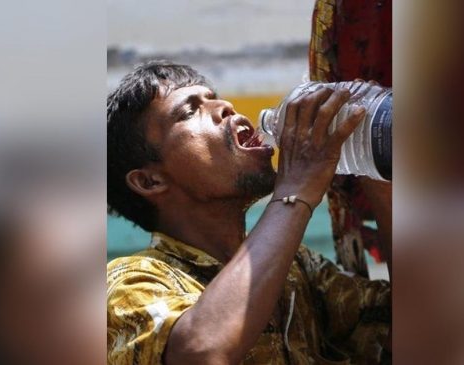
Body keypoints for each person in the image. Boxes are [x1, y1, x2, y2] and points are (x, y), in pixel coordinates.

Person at [107, 61, 391, 365]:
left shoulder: (299, 269)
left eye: (214, 96)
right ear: (150, 181)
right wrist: (296, 188)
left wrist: (373, 162)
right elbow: (201, 354)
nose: (225, 107)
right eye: (189, 111)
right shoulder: (130, 282)